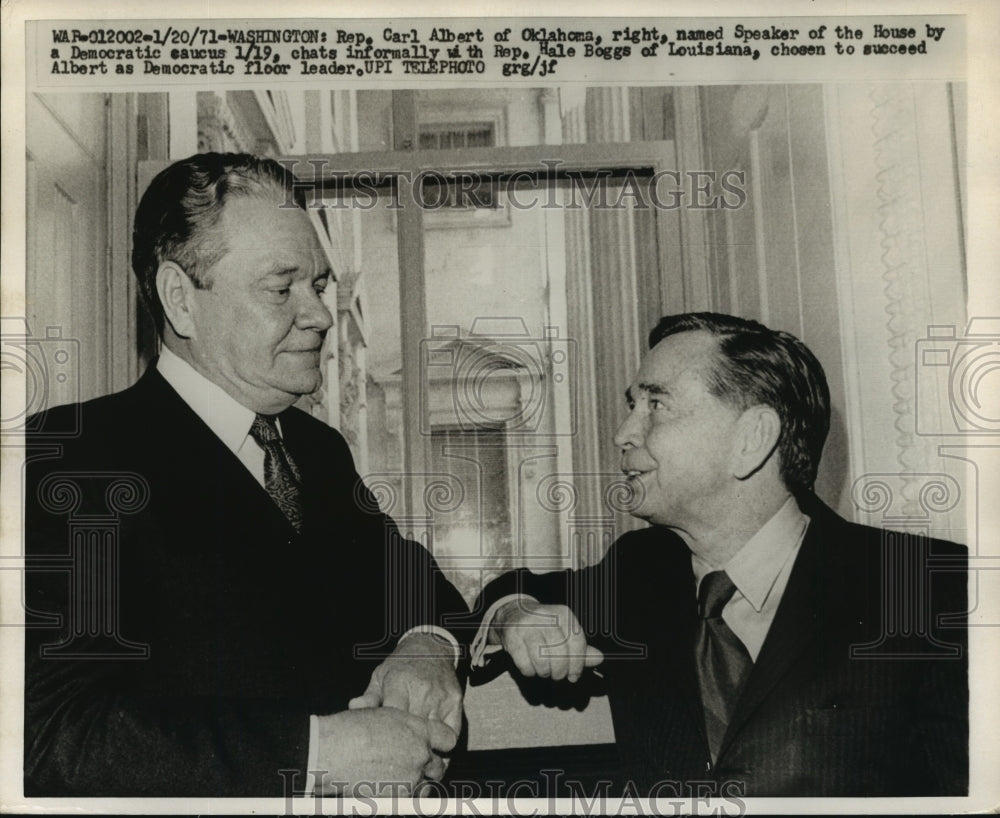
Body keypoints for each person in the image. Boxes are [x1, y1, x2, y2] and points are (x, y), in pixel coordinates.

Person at [23, 153, 468, 797]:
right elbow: (52, 737)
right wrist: (319, 755)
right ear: (181, 299)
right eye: (282, 287)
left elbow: (412, 583)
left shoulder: (316, 450)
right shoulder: (68, 458)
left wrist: (425, 648)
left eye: (318, 284)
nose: (318, 314)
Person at [473, 312, 968, 796]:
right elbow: (510, 592)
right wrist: (518, 616)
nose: (623, 433)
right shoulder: (639, 571)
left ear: (751, 440)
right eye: (633, 405)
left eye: (656, 405)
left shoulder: (933, 589)